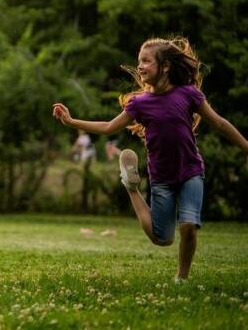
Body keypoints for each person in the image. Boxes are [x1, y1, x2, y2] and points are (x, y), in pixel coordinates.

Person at [53, 37, 248, 282]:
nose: (140, 67)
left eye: (146, 61)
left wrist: (246, 148)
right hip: (162, 178)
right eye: (139, 62)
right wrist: (72, 122)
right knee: (162, 238)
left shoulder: (189, 94)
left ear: (165, 66)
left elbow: (219, 123)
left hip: (190, 171)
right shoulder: (140, 103)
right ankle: (131, 187)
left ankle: (182, 278)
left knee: (189, 225)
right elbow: (108, 127)